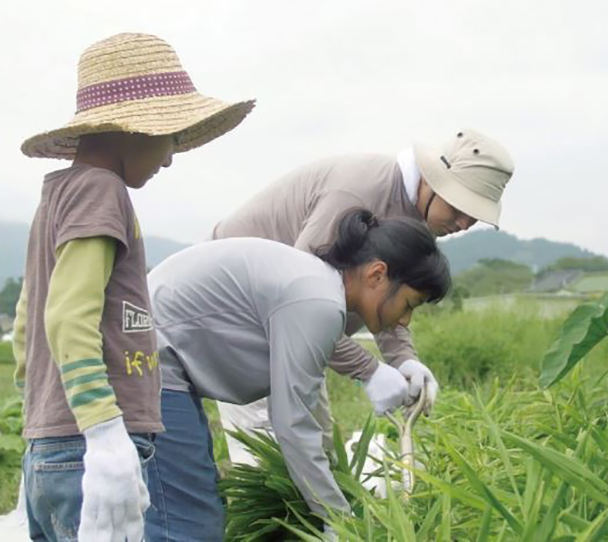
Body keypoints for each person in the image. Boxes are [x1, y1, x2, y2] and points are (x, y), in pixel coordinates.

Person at [12, 32, 254, 542]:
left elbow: (26, 322)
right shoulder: (101, 191)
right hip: (89, 450)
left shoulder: (56, 197)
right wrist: (102, 431)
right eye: (170, 137)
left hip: (53, 444)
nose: (170, 156)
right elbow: (66, 315)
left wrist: (38, 415)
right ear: (134, 130)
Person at [143, 209, 450, 541]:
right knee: (188, 523)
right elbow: (292, 422)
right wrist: (337, 517)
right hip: (149, 359)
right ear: (377, 275)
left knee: (187, 508)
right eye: (409, 304)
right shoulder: (318, 302)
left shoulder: (316, 288)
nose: (404, 321)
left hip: (157, 361)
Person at [212, 128, 514, 462]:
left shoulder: (414, 215)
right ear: (431, 179)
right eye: (459, 207)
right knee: (271, 455)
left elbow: (388, 298)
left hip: (289, 330)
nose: (464, 222)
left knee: (319, 449)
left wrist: (403, 359)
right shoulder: (357, 193)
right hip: (243, 317)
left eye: (474, 215)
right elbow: (298, 308)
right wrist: (368, 371)